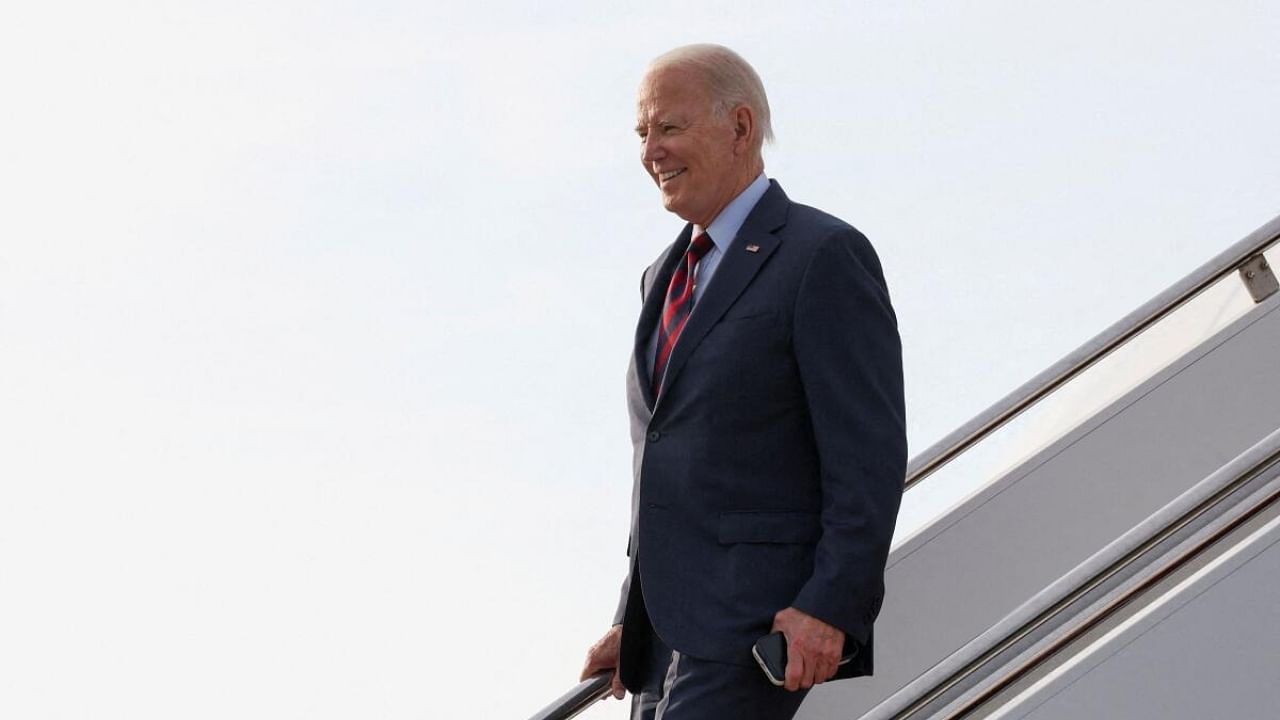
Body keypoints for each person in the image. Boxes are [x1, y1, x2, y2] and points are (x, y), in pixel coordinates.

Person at [580, 43, 906, 720]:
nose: (652, 152)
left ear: (741, 127)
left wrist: (831, 606)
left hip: (754, 627)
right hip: (664, 640)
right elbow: (666, 469)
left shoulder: (821, 256)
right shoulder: (660, 279)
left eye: (669, 128)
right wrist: (631, 618)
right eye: (643, 134)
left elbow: (866, 457)